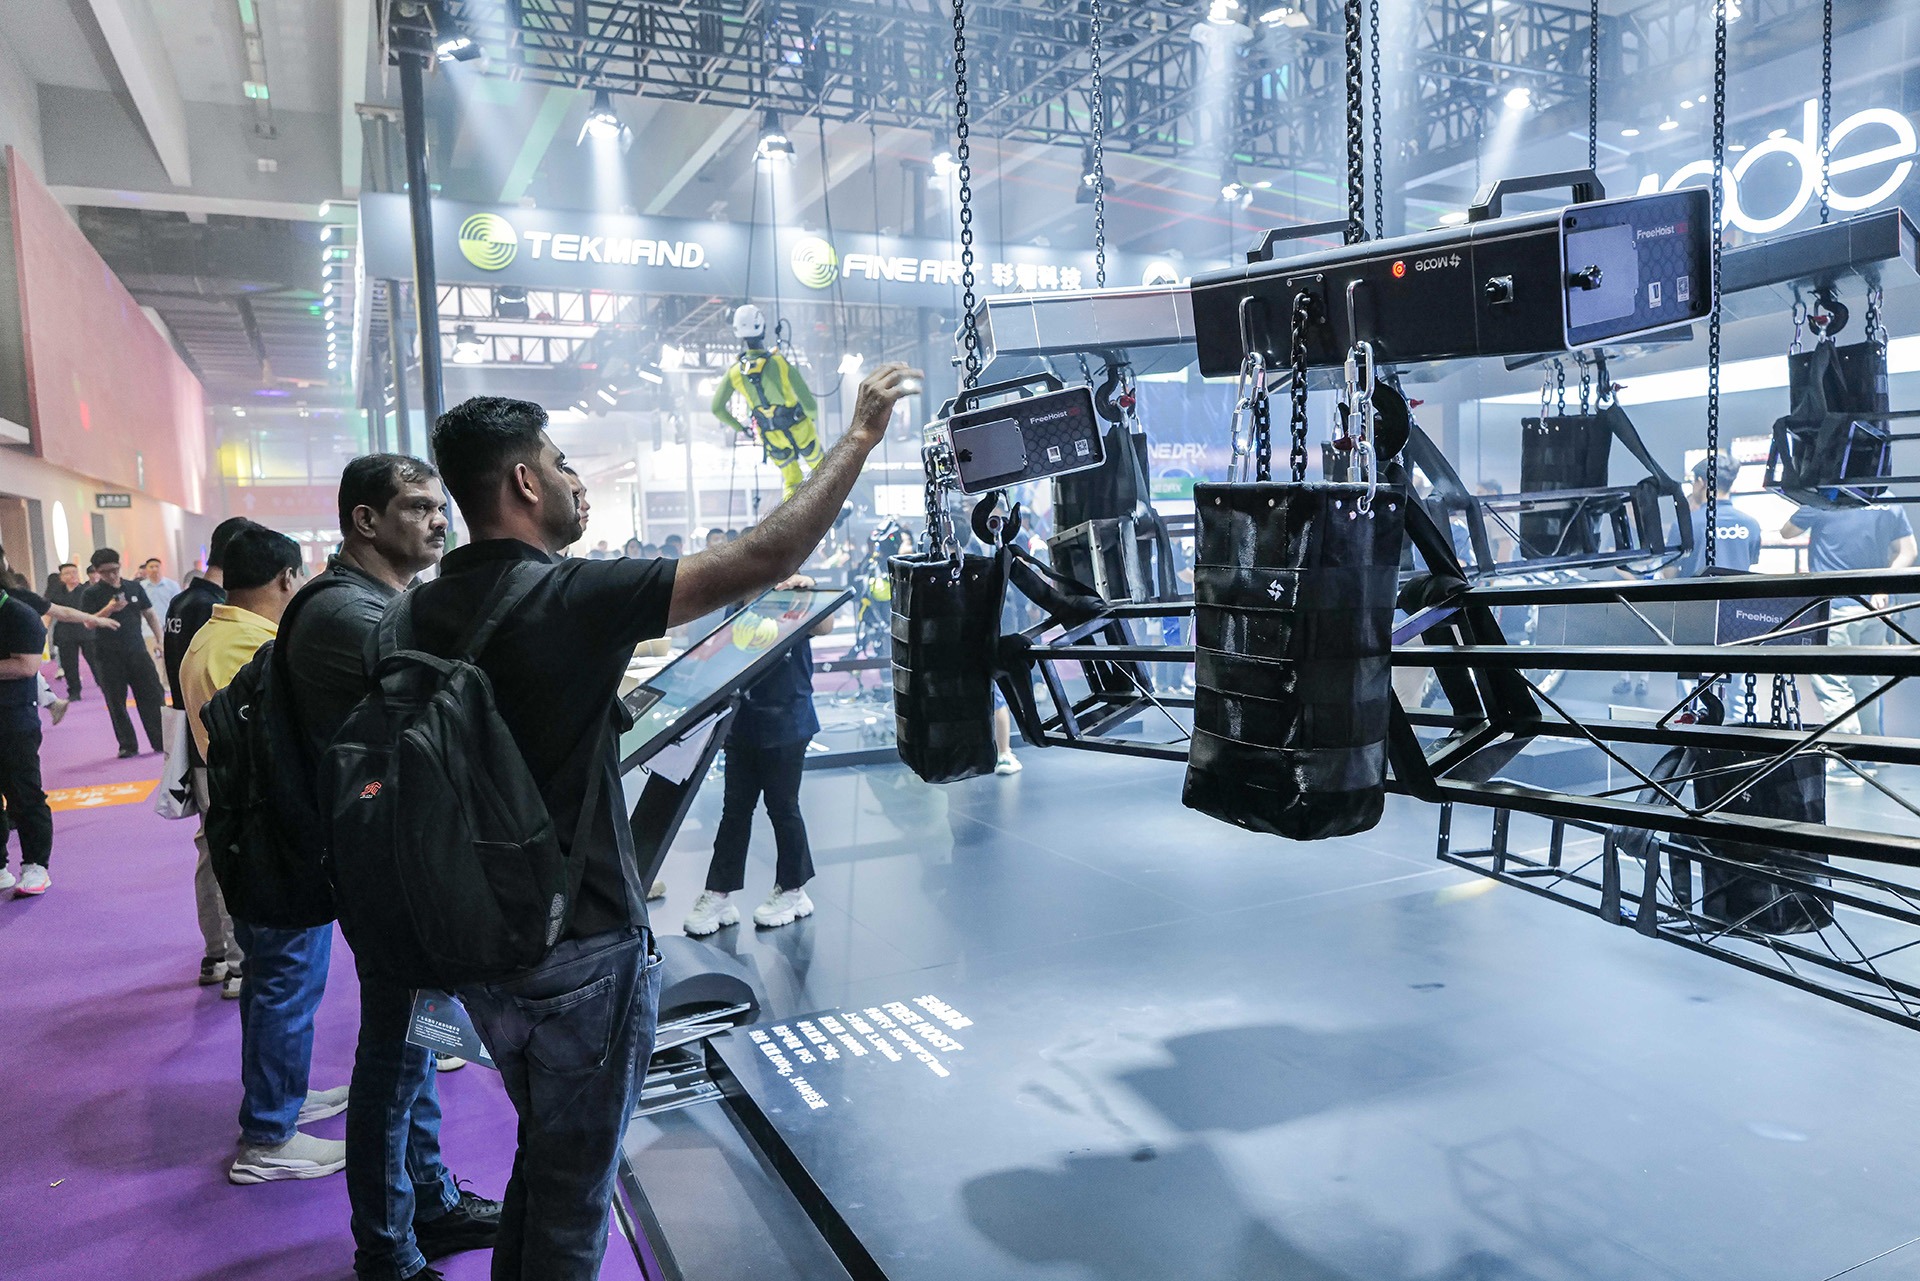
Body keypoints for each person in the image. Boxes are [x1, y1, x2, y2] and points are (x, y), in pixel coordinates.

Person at [409, 360, 917, 1279]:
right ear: (524, 481)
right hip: (579, 946)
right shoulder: (572, 597)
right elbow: (767, 558)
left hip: (468, 941)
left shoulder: (414, 612)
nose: (575, 481)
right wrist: (859, 438)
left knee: (545, 1154)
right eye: (561, 464)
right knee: (574, 1203)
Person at [278, 455, 501, 1280]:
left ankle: (432, 1200)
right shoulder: (350, 614)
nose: (439, 520)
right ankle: (388, 1250)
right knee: (394, 1060)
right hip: (390, 875)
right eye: (417, 507)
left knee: (419, 1036)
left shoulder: (374, 603)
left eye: (442, 505)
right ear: (365, 521)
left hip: (403, 862)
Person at [181, 524, 350, 1183]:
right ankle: (269, 1136)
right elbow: (271, 751)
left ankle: (283, 1094)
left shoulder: (211, 635)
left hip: (249, 827)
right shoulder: (252, 646)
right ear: (286, 577)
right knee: (287, 977)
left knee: (273, 978)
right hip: (271, 832)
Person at [684, 574, 837, 936]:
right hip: (743, 723)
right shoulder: (738, 599)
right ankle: (719, 893)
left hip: (788, 721)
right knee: (734, 811)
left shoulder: (795, 593)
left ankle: (794, 889)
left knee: (783, 807)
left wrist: (807, 586)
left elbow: (826, 624)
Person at [167, 517, 259, 995]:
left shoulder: (183, 602)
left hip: (193, 740)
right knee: (227, 848)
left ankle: (217, 953)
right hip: (215, 749)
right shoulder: (215, 610)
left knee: (209, 849)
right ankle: (237, 958)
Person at [1782, 501, 1918, 751]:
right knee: (1864, 680)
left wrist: (1811, 500)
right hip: (1875, 607)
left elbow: (1786, 531)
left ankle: (1847, 758)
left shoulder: (1826, 500)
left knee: (1832, 681)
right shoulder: (1887, 500)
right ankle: (1871, 752)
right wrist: (1882, 584)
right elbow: (1909, 551)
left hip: (1836, 608)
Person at [710, 303, 824, 502]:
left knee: (792, 481)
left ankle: (792, 525)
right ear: (762, 328)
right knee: (824, 473)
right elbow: (811, 406)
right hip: (800, 428)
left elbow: (717, 408)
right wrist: (812, 419)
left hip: (770, 436)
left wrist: (741, 428)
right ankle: (834, 510)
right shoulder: (779, 362)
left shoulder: (735, 372)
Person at [80, 548, 166, 757]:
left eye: (115, 569)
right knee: (116, 702)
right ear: (97, 572)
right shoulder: (91, 593)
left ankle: (161, 740)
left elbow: (150, 614)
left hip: (137, 651)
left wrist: (160, 640)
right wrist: (109, 609)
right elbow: (88, 623)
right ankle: (127, 744)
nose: (112, 574)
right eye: (106, 571)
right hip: (107, 655)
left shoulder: (134, 587)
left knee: (153, 696)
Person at [0, 584, 54, 898]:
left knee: (24, 792)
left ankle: (35, 865)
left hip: (13, 720)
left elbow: (26, 665)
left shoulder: (19, 614)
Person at [45, 563, 99, 699]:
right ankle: (74, 691)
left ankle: (105, 685)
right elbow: (48, 613)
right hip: (65, 632)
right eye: (67, 573)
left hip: (86, 630)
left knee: (95, 661)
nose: (72, 575)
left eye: (74, 572)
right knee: (69, 664)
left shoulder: (87, 590)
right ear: (61, 577)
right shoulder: (56, 593)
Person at [141, 556, 182, 624]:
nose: (154, 569)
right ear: (146, 569)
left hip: (167, 623)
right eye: (151, 567)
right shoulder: (141, 586)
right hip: (147, 626)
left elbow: (178, 605)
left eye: (157, 566)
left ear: (161, 568)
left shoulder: (172, 585)